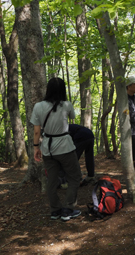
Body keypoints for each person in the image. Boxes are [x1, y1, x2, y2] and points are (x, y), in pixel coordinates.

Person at [31, 77, 81, 221]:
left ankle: (55, 211)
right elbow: (72, 117)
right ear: (63, 90)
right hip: (65, 147)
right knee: (75, 176)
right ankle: (67, 209)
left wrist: (36, 148)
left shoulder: (38, 106)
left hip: (47, 148)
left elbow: (36, 131)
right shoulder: (66, 105)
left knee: (51, 180)